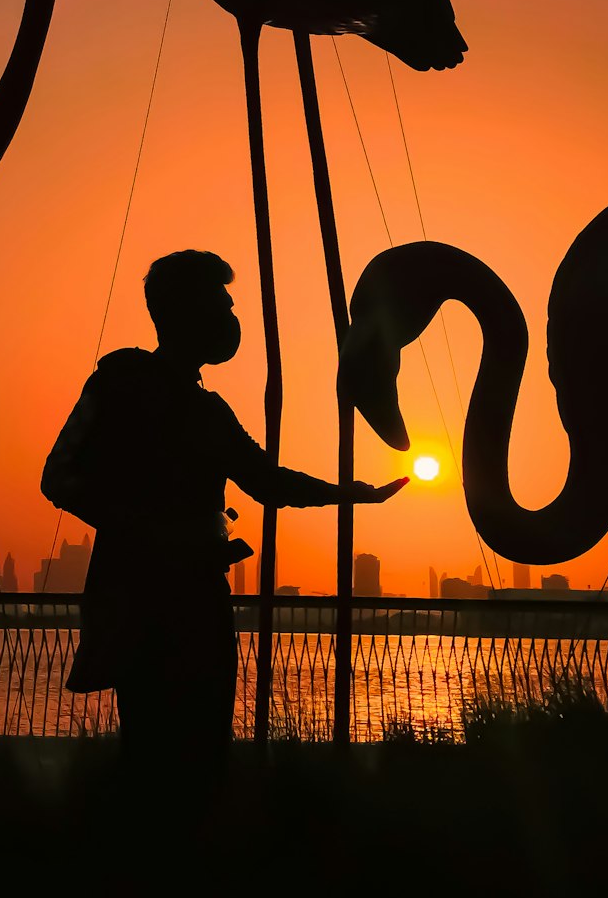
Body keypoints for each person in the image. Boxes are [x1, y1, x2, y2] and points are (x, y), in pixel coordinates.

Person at [41, 249, 406, 779]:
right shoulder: (118, 383)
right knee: (153, 754)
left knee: (202, 750)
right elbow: (58, 477)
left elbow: (267, 482)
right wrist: (149, 531)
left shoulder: (207, 411)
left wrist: (351, 494)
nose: (231, 316)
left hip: (198, 601)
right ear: (187, 310)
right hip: (143, 600)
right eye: (221, 302)